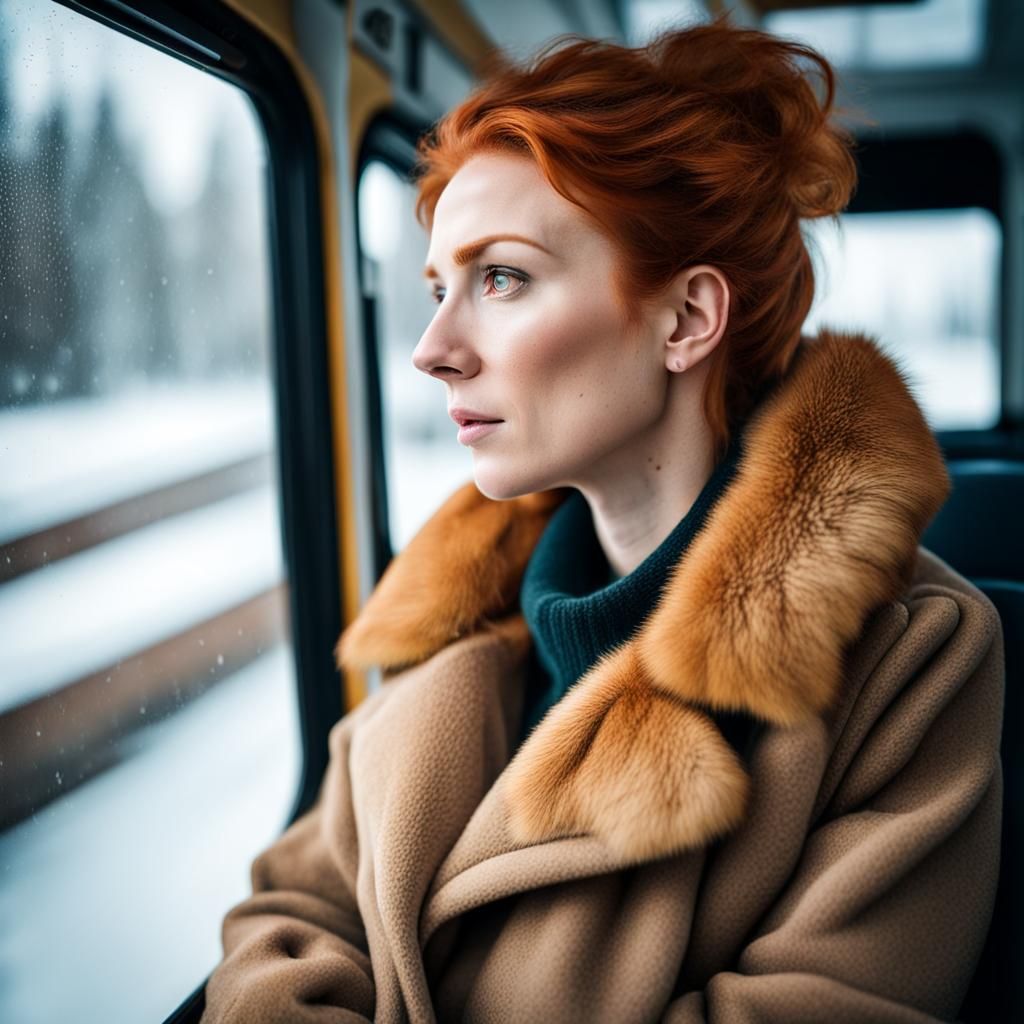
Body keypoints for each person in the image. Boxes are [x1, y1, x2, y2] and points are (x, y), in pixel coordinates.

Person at [200, 17, 1004, 1024]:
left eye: (501, 277)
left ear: (685, 320)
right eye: (438, 288)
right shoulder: (454, 618)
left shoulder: (913, 659)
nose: (433, 348)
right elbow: (291, 907)